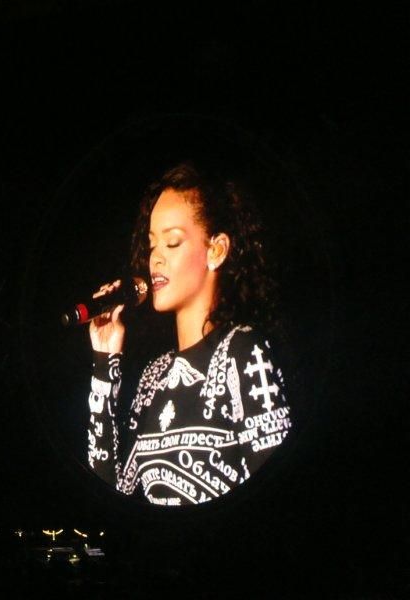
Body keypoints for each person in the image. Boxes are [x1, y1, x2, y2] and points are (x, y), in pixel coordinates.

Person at [87, 162, 291, 506]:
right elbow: (110, 496)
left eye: (172, 242)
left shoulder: (243, 351)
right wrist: (104, 362)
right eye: (152, 245)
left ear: (216, 250)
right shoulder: (154, 377)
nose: (155, 259)